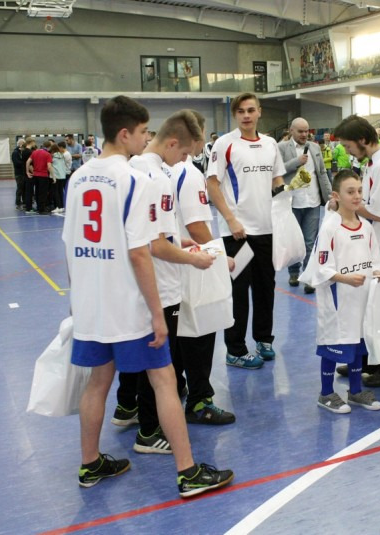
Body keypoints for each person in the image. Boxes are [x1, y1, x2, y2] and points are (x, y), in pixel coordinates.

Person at [63, 95, 233, 497]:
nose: (145, 138)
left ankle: (90, 463)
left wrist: (76, 300)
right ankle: (188, 471)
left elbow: (70, 243)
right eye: (142, 131)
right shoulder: (134, 179)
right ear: (125, 133)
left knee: (98, 382)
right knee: (164, 380)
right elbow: (142, 251)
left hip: (90, 303)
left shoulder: (78, 178)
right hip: (129, 303)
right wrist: (157, 314)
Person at [206, 92, 286, 370]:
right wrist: (231, 220)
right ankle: (235, 350)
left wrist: (285, 198)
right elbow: (212, 184)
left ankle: (263, 340)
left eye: (251, 110)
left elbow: (276, 179)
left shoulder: (270, 144)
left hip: (267, 231)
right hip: (237, 233)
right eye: (241, 111)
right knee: (238, 294)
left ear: (259, 112)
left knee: (266, 289)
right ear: (235, 115)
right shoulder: (224, 144)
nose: (246, 115)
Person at [167, 118, 236, 425]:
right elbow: (196, 227)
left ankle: (175, 386)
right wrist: (218, 257)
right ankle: (199, 401)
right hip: (191, 264)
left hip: (169, 266)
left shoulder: (159, 170)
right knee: (200, 331)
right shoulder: (188, 172)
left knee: (179, 331)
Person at [301, 169, 380, 413]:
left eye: (359, 190)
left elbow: (374, 260)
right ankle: (326, 393)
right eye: (350, 192)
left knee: (358, 343)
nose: (357, 196)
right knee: (333, 342)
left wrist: (378, 274)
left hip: (361, 299)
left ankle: (355, 391)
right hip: (338, 300)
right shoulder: (330, 228)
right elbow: (321, 268)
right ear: (336, 196)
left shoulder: (366, 227)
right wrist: (345, 279)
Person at [333, 115, 380, 387]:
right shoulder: (374, 163)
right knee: (369, 309)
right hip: (373, 246)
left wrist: (347, 205)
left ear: (363, 140)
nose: (348, 152)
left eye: (349, 146)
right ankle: (367, 361)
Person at [278, 117, 332, 293]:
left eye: (306, 131)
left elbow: (322, 173)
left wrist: (330, 196)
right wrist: (296, 162)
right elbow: (276, 172)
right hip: (292, 203)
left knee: (310, 242)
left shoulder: (315, 148)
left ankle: (309, 277)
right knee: (294, 242)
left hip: (312, 201)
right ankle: (294, 273)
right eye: (300, 131)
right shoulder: (281, 148)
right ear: (291, 131)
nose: (304, 134)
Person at [26, 140, 53, 214]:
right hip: (43, 176)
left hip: (35, 175)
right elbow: (49, 166)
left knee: (37, 192)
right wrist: (53, 176)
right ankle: (41, 209)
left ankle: (38, 207)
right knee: (43, 193)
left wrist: (27, 172)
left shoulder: (35, 152)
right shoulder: (48, 154)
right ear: (49, 147)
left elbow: (28, 162)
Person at [11, 139, 26, 210]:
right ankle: (18, 203)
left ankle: (24, 202)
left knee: (24, 188)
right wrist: (25, 162)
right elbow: (16, 163)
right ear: (20, 144)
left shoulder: (22, 152)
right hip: (19, 173)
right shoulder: (15, 153)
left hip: (23, 173)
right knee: (20, 188)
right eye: (23, 144)